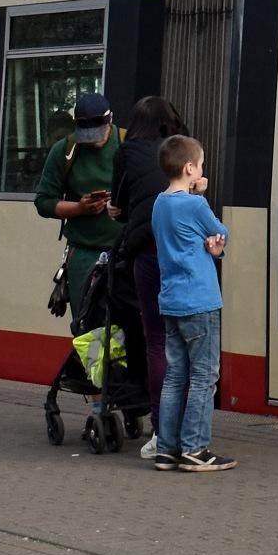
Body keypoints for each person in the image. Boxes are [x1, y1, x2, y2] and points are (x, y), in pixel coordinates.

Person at [35, 90, 135, 426]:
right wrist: (78, 208)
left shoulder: (126, 144)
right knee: (91, 328)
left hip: (125, 252)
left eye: (98, 133)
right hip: (85, 254)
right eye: (85, 133)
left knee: (127, 324)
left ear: (110, 122)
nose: (92, 141)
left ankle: (127, 395)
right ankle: (99, 405)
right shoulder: (64, 152)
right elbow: (44, 201)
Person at [148, 133, 231, 474]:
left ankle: (166, 450)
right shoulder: (195, 204)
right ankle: (195, 449)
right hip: (200, 300)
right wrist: (201, 196)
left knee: (174, 378)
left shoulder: (159, 203)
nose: (202, 171)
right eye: (200, 166)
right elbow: (220, 231)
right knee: (203, 378)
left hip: (170, 301)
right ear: (189, 168)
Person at [109, 95, 186, 457]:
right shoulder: (182, 152)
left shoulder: (127, 153)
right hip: (187, 259)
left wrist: (115, 211)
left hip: (149, 256)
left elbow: (122, 207)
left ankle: (161, 430)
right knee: (187, 343)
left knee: (157, 342)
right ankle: (190, 429)